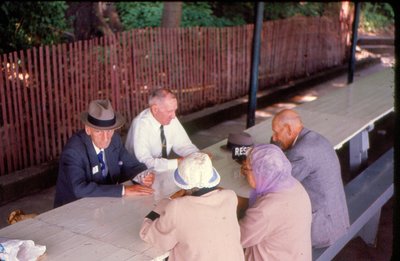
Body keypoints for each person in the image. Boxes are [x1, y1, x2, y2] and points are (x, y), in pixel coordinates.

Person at [139, 152, 245, 261]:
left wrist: (167, 201)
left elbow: (149, 236)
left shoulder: (177, 207)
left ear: (183, 185)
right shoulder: (230, 196)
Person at [271, 109, 350, 248]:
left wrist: (253, 168)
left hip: (324, 230)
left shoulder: (301, 152)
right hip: (338, 218)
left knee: (271, 232)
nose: (275, 137)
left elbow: (277, 183)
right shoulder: (315, 138)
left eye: (276, 133)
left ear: (289, 129)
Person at [54, 99, 154, 208]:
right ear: (88, 130)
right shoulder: (73, 151)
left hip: (104, 204)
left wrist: (143, 176)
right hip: (73, 209)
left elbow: (132, 165)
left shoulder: (114, 139)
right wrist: (123, 190)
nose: (106, 138)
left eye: (109, 130)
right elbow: (79, 189)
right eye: (98, 131)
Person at [239, 144, 312, 260]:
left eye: (246, 169)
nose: (244, 173)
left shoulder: (265, 210)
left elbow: (238, 238)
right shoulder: (293, 184)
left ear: (259, 172)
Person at [125, 88, 198, 172]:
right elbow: (145, 162)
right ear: (155, 109)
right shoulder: (141, 125)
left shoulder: (170, 118)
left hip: (162, 168)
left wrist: (196, 155)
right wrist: (177, 163)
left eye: (175, 110)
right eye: (170, 111)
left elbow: (184, 145)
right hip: (138, 173)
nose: (174, 116)